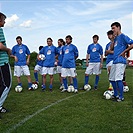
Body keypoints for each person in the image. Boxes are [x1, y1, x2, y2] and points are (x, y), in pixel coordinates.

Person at [109, 22, 133, 102]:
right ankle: (116, 94)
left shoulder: (123, 36)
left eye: (113, 28)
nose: (112, 30)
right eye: (112, 28)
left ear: (118, 27)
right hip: (115, 61)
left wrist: (125, 51)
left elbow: (132, 43)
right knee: (111, 79)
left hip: (120, 61)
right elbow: (111, 48)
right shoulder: (116, 38)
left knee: (118, 79)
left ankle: (121, 97)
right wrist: (113, 39)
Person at [0, 12, 12, 113]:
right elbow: (0, 46)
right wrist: (8, 50)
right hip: (2, 63)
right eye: (3, 20)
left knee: (1, 85)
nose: (5, 22)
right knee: (7, 85)